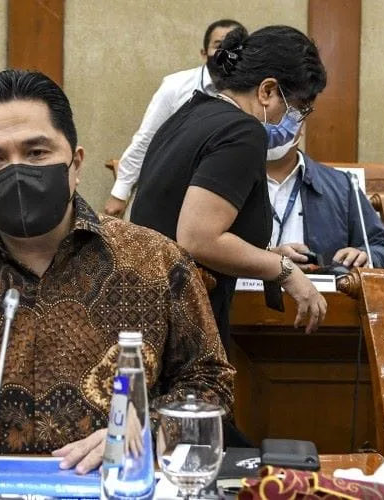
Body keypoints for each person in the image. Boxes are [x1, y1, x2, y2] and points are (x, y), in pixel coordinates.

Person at [0, 69, 235, 474]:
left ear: (75, 163)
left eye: (36, 153)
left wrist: (146, 429)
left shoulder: (155, 260)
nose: (17, 171)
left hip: (109, 483)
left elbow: (211, 384)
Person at [130, 26, 328, 345]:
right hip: (184, 327)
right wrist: (284, 270)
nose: (297, 121)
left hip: (147, 311)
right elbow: (197, 238)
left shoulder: (192, 112)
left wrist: (264, 253)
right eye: (298, 107)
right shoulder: (243, 132)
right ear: (267, 91)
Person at [103, 19, 246, 217]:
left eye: (234, 47)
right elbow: (146, 139)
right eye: (218, 46)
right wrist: (120, 193)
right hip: (163, 194)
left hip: (219, 202)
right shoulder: (175, 86)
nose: (226, 53)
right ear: (204, 53)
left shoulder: (251, 94)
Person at [266, 138, 384, 270]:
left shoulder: (343, 186)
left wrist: (364, 256)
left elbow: (382, 249)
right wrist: (268, 260)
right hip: (254, 282)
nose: (274, 129)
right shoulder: (250, 180)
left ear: (301, 127)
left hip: (324, 283)